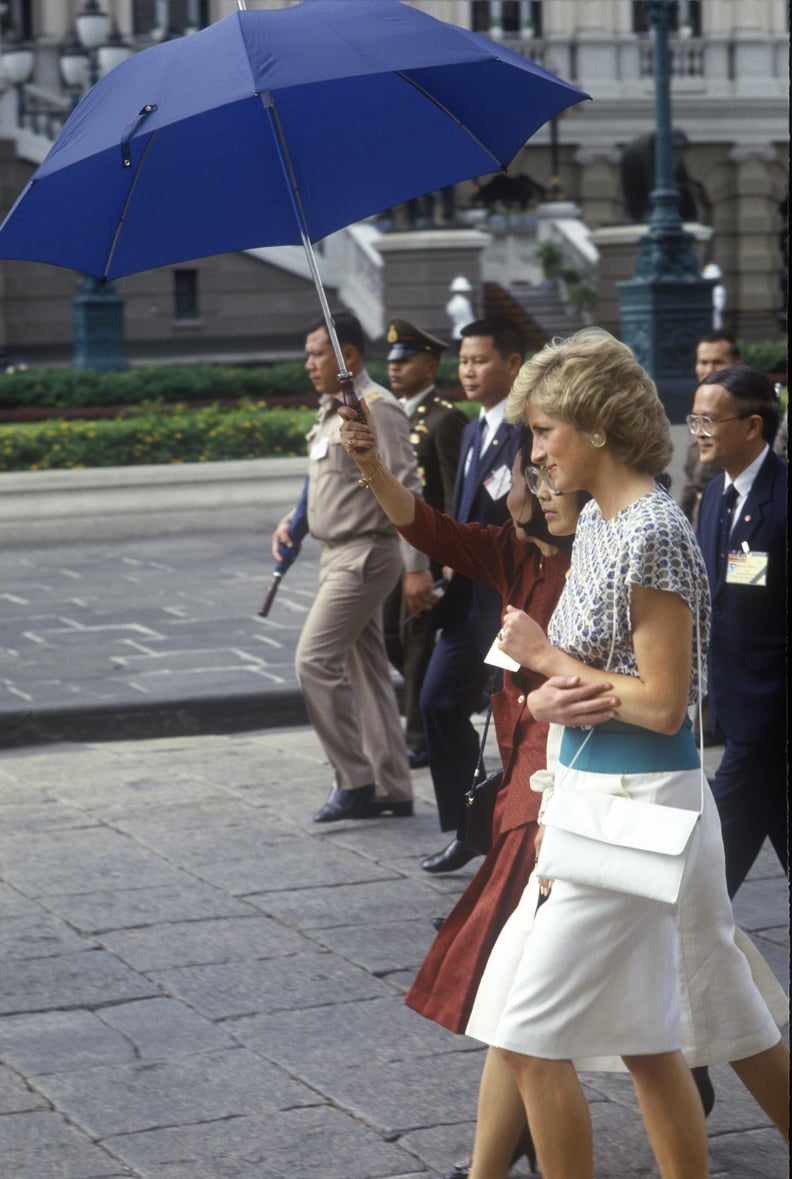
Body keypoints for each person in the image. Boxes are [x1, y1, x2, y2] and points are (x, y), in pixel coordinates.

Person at [462, 328, 788, 1178]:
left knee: (533, 1035)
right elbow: (588, 679)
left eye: (543, 431)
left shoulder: (650, 530)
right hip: (597, 804)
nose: (533, 449)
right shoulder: (603, 523)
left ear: (596, 426)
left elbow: (662, 701)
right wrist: (541, 693)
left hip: (643, 812)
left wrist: (543, 660)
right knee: (655, 1039)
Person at [272, 312, 433, 823]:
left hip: (366, 553)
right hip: (334, 552)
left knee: (313, 661)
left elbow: (408, 487)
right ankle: (392, 786)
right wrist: (295, 521)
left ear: (349, 357)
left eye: (318, 354)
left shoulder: (375, 408)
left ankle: (355, 779)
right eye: (307, 354)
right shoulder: (332, 410)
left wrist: (416, 566)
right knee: (367, 673)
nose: (309, 364)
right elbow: (327, 482)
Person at [418, 317, 525, 874]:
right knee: (436, 702)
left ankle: (502, 849)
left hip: (510, 605)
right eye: (463, 361)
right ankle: (467, 824)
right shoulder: (470, 430)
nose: (468, 370)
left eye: (480, 360)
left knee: (511, 725)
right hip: (466, 604)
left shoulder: (525, 430)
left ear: (512, 364)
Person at [690, 365, 787, 897]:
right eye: (694, 419)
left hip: (769, 718)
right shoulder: (713, 500)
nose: (699, 431)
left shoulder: (783, 499)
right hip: (734, 707)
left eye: (710, 420)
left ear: (752, 426)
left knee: (706, 872)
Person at [382, 316, 467, 770]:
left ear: (430, 367)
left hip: (428, 550)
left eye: (407, 361)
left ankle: (418, 735)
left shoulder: (445, 420)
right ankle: (421, 714)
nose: (395, 369)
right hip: (395, 548)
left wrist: (449, 555)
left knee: (416, 640)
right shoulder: (394, 414)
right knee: (388, 635)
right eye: (393, 361)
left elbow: (452, 492)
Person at [678, 332, 742, 524]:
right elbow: (691, 484)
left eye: (718, 362)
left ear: (737, 365)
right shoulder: (699, 409)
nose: (709, 370)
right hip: (701, 518)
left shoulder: (746, 410)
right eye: (703, 362)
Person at [445, 276, 475, 345]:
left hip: (456, 331)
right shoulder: (464, 302)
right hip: (466, 332)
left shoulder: (451, 303)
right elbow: (469, 319)